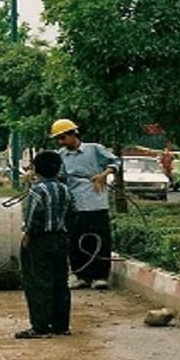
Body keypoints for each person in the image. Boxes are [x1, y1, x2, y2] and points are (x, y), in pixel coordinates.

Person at [51, 118, 117, 290]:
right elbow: (59, 176)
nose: (61, 142)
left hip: (95, 202)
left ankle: (100, 276)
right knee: (75, 242)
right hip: (74, 204)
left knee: (99, 241)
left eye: (63, 137)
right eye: (58, 139)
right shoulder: (61, 155)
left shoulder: (94, 149)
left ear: (73, 134)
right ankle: (81, 276)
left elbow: (115, 162)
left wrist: (103, 175)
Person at [16, 150, 74, 339]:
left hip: (40, 240)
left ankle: (40, 327)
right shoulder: (64, 189)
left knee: (39, 282)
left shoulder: (37, 190)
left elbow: (33, 216)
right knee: (60, 282)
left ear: (35, 170)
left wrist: (27, 235)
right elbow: (73, 213)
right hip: (61, 239)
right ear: (58, 169)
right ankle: (61, 325)